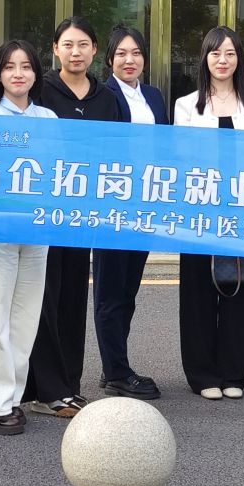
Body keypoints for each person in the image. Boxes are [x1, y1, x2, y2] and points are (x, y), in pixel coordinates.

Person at [28, 15, 126, 415]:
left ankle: (69, 383)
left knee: (73, 297)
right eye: (67, 44)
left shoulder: (107, 98)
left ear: (94, 50)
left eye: (83, 44)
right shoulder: (39, 91)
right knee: (45, 298)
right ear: (55, 50)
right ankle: (45, 390)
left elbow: (120, 152)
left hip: (85, 215)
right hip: (44, 213)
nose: (76, 52)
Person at [173, 25, 244, 399]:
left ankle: (233, 374)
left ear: (239, 59)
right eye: (215, 53)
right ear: (205, 58)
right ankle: (202, 375)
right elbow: (182, 158)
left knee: (238, 288)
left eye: (230, 53)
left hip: (241, 208)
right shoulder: (186, 105)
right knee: (197, 291)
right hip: (199, 209)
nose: (223, 60)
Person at [0, 40, 57, 436]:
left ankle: (12, 396)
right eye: (9, 67)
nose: (18, 73)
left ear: (36, 73)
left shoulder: (49, 118)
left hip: (37, 227)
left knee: (25, 315)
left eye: (25, 66)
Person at [95, 22, 167, 401]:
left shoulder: (153, 96)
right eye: (121, 53)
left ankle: (114, 364)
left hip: (145, 204)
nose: (129, 59)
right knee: (110, 291)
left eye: (136, 53)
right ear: (109, 59)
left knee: (128, 290)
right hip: (112, 205)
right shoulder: (103, 95)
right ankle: (117, 373)